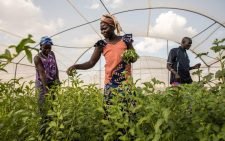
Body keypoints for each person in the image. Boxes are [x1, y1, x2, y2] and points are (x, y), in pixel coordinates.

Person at [67, 14, 137, 101]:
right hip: (110, 83)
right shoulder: (101, 44)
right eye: (101, 29)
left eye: (105, 28)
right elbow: (91, 63)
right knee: (110, 111)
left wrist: (129, 56)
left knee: (129, 111)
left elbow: (134, 59)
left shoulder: (125, 40)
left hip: (126, 82)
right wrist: (76, 66)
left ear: (113, 27)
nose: (102, 31)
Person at [34, 36, 60, 136]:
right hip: (42, 84)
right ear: (40, 46)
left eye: (49, 47)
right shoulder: (37, 58)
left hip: (52, 82)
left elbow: (56, 66)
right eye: (45, 47)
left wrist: (57, 79)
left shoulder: (52, 54)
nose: (47, 50)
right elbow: (42, 74)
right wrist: (46, 90)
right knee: (43, 106)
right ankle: (43, 132)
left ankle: (52, 127)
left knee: (53, 106)